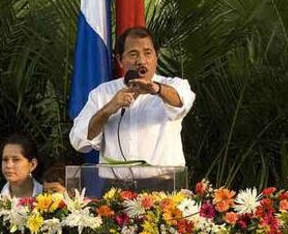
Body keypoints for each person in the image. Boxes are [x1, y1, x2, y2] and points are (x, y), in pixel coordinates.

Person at [69, 27, 195, 166]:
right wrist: (109, 109)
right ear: (120, 60)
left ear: (156, 57)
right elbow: (78, 141)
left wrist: (156, 89)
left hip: (163, 184)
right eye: (134, 54)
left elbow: (180, 102)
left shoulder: (173, 85)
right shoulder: (102, 93)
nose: (142, 60)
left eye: (148, 53)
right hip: (117, 185)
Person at [1, 134, 43, 198]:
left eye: (16, 160)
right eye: (5, 159)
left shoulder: (49, 198)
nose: (8, 165)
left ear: (32, 164)